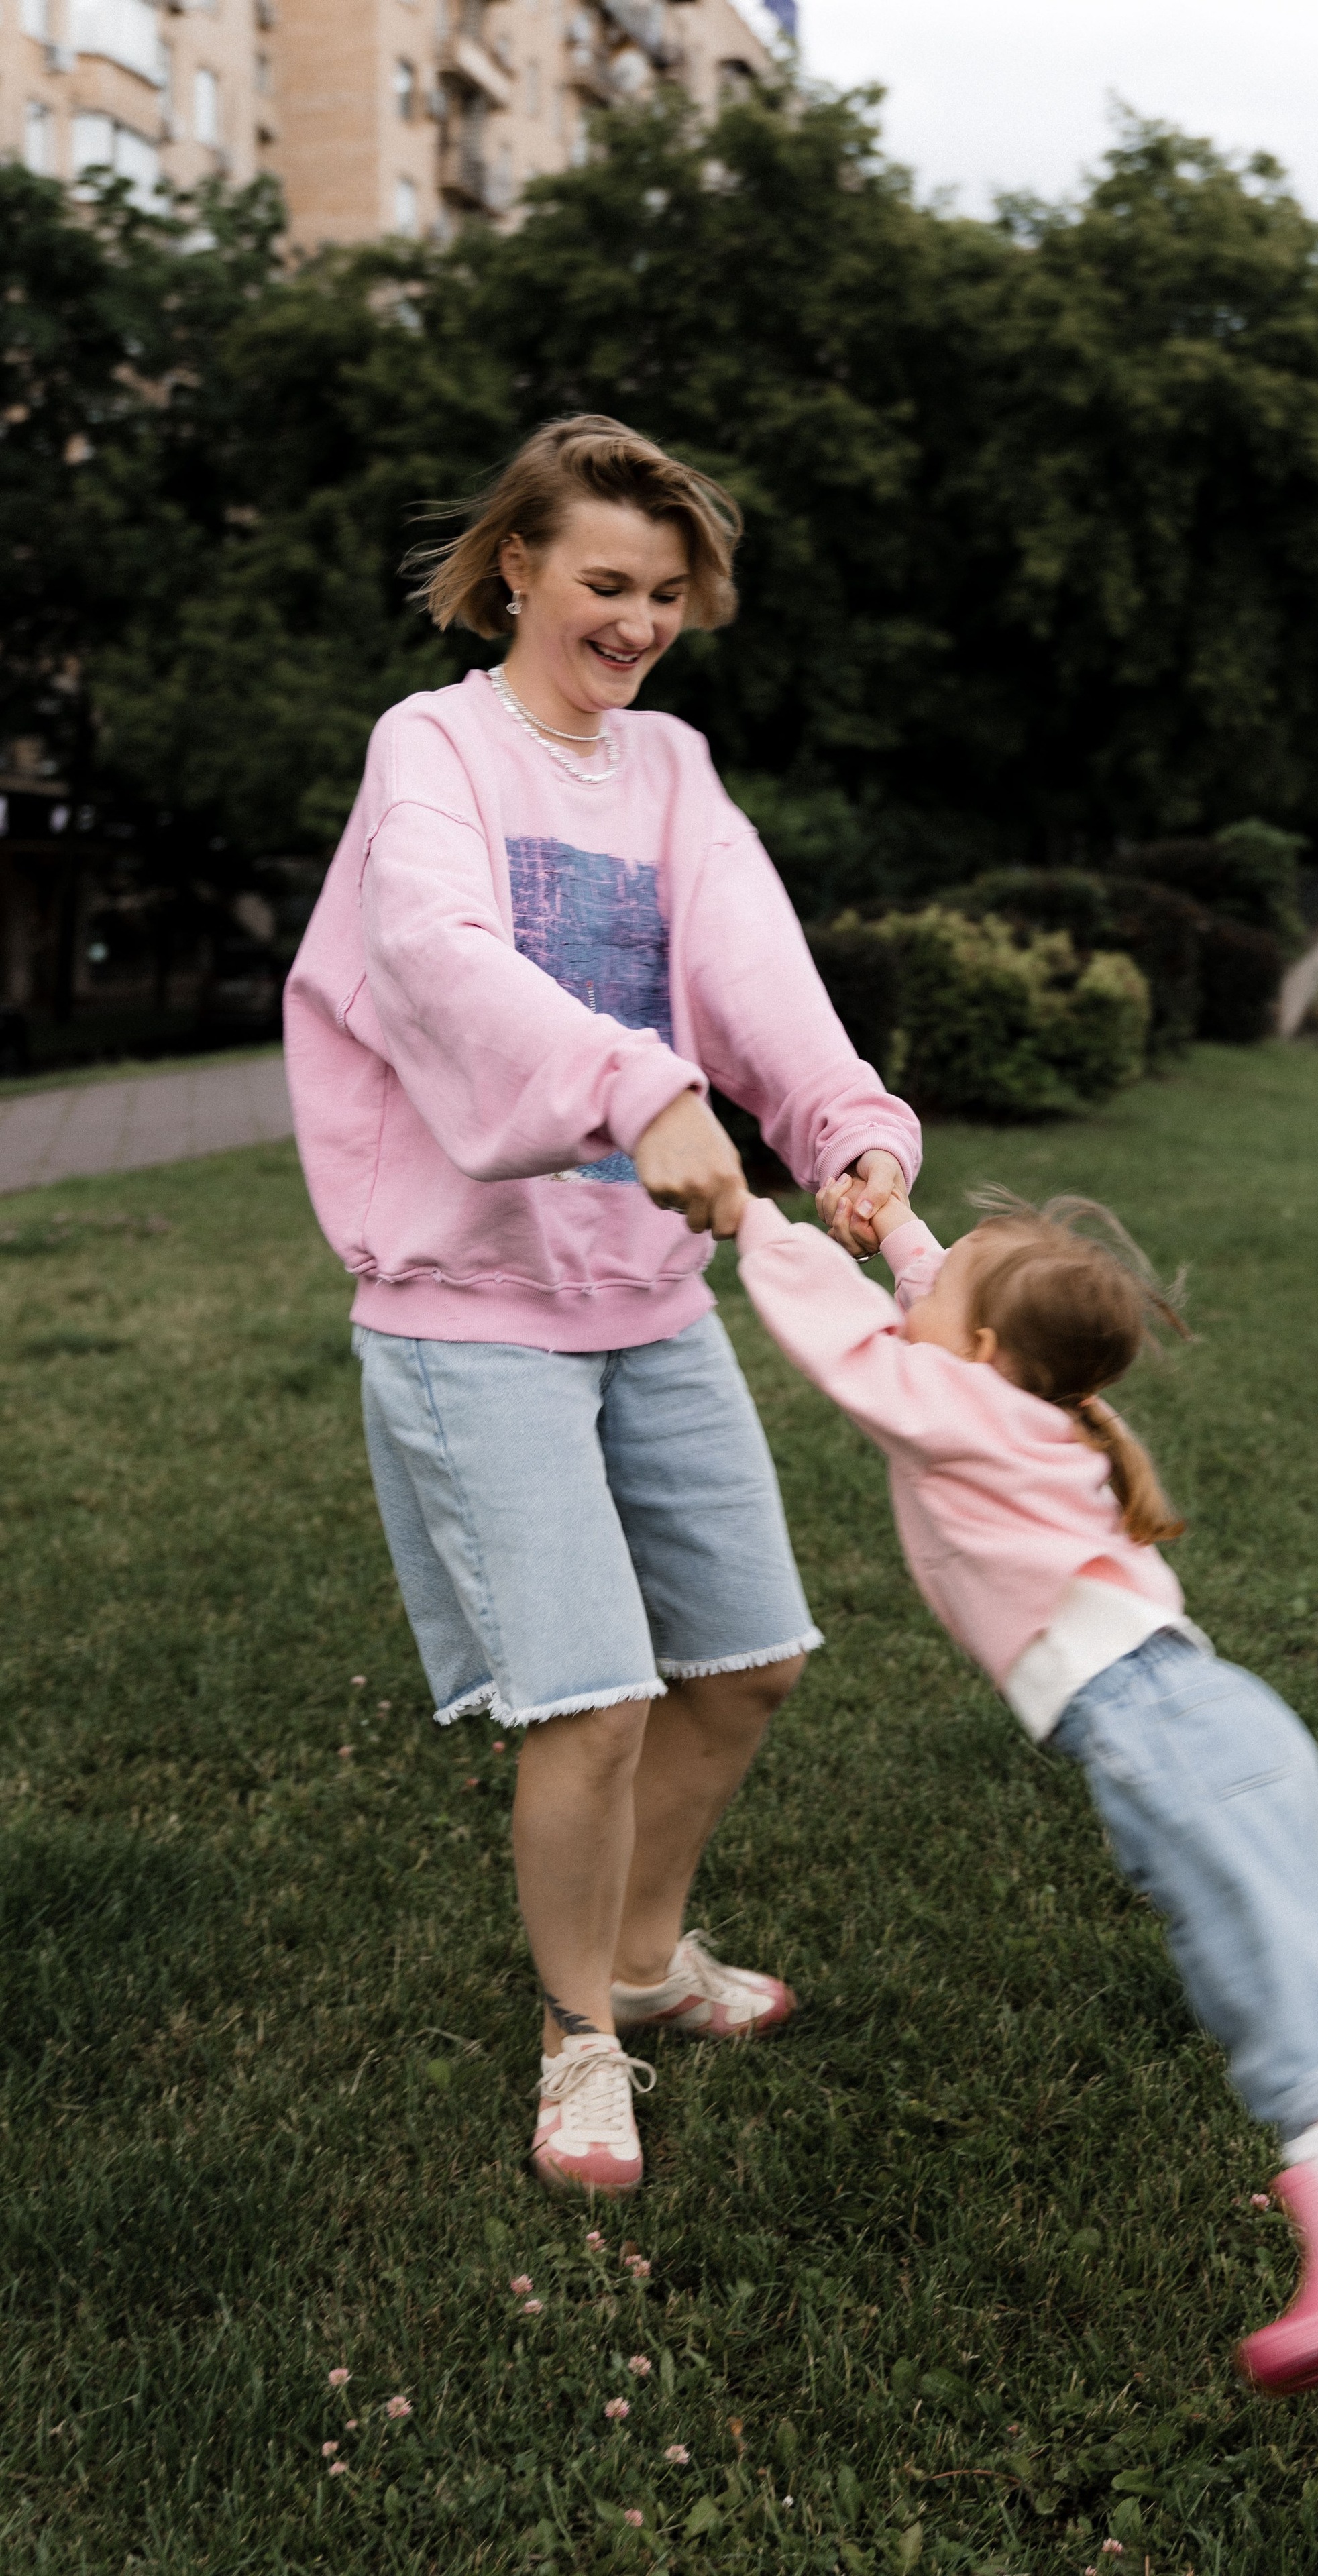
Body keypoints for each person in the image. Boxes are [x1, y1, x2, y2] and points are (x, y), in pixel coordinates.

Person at [284, 415, 920, 2197]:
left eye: (664, 594)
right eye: (603, 583)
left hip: (644, 1297)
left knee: (754, 1659)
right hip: (470, 1301)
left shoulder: (669, 773)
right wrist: (639, 1091)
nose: (635, 620)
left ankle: (647, 1959)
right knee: (593, 1702)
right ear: (517, 572)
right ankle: (579, 2039)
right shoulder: (432, 748)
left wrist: (844, 1135)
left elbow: (757, 970)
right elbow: (435, 955)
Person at [734, 1179, 1318, 2395]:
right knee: (1285, 1955)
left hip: (1160, 1726)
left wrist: (754, 1222)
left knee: (1259, 1963)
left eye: (946, 1290)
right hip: (1207, 1710)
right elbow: (954, 1316)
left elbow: (850, 1344)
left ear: (979, 1351)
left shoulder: (960, 1408)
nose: (923, 1297)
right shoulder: (1034, 1404)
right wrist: (905, 1238)